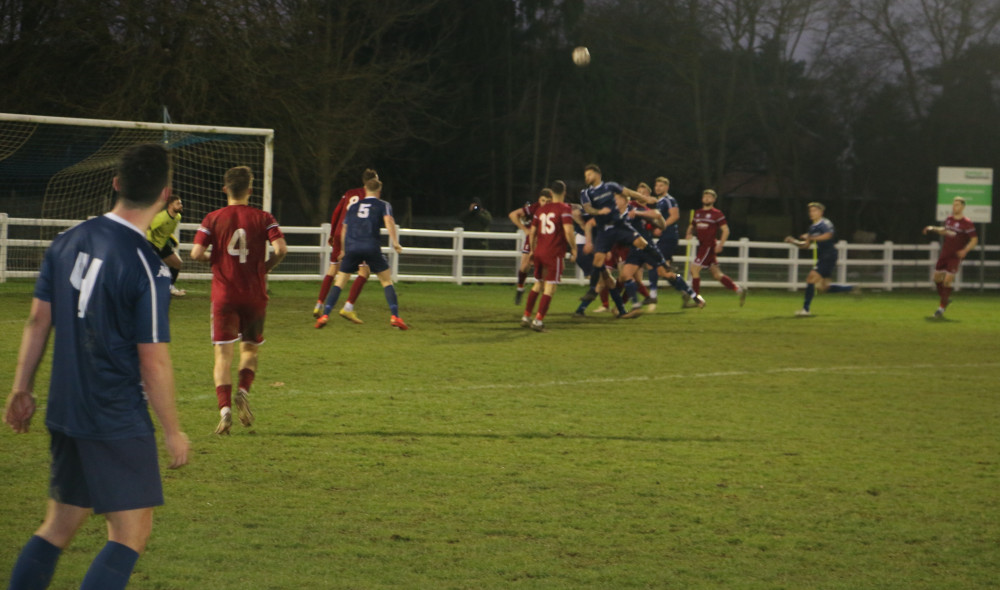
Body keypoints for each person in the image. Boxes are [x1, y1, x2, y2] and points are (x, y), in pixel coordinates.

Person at [3, 144, 190, 590]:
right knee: (130, 535)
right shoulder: (146, 266)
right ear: (164, 195)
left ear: (116, 183)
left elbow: (37, 320)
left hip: (67, 410)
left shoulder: (67, 241)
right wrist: (172, 429)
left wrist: (21, 387)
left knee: (59, 525)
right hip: (114, 415)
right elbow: (154, 359)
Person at [190, 166, 288, 435]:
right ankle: (243, 391)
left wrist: (218, 260)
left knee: (223, 355)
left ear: (225, 190)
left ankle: (224, 411)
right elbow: (281, 249)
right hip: (254, 294)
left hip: (224, 295)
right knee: (250, 349)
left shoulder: (212, 218)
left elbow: (196, 253)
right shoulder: (263, 217)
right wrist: (264, 267)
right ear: (250, 190)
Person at [577, 164, 703, 316]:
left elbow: (657, 216)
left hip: (646, 247)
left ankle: (695, 296)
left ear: (625, 200)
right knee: (624, 276)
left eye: (618, 198)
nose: (615, 201)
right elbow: (594, 221)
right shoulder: (614, 215)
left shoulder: (633, 210)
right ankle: (636, 306)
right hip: (633, 251)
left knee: (666, 274)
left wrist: (640, 213)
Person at [315, 174, 408, 330]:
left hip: (352, 248)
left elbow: (344, 228)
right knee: (386, 281)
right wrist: (395, 242)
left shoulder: (353, 207)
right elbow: (389, 221)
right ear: (379, 190)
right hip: (371, 247)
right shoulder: (383, 204)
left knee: (340, 282)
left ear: (365, 189)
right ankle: (395, 317)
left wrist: (344, 249)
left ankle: (325, 314)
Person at [313, 170, 377, 323]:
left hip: (339, 232)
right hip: (354, 236)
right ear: (373, 182)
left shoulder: (349, 193)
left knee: (333, 269)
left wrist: (332, 233)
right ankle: (348, 307)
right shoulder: (370, 198)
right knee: (364, 271)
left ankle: (319, 304)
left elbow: (336, 212)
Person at [520, 182, 576, 331]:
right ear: (564, 192)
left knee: (538, 284)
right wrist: (574, 249)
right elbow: (568, 231)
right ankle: (538, 321)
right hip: (554, 253)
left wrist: (532, 251)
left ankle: (526, 316)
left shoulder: (541, 210)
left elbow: (532, 232)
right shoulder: (564, 209)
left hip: (539, 251)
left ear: (551, 193)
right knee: (550, 287)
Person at [785, 201, 855, 316]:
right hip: (824, 256)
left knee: (810, 279)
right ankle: (852, 288)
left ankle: (805, 310)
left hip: (829, 255)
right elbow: (806, 245)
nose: (811, 213)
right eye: (810, 211)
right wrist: (794, 242)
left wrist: (811, 237)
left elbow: (828, 236)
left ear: (821, 212)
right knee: (824, 288)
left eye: (814, 210)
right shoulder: (812, 227)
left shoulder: (825, 223)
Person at [685, 189, 746, 306]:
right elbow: (692, 225)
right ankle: (739, 290)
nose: (706, 198)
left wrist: (721, 244)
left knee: (694, 269)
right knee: (717, 274)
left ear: (714, 200)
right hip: (702, 246)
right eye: (705, 196)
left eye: (709, 197)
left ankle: (697, 299)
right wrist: (689, 233)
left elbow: (725, 230)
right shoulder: (698, 213)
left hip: (708, 246)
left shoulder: (717, 213)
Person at [922, 196, 978, 318]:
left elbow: (974, 240)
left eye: (957, 205)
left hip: (955, 256)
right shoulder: (949, 219)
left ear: (963, 207)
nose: (954, 206)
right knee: (936, 279)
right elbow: (945, 231)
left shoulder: (967, 223)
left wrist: (965, 250)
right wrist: (933, 228)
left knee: (947, 281)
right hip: (945, 254)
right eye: (953, 204)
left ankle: (941, 308)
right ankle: (945, 299)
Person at [635, 176, 680, 304]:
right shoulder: (658, 202)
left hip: (669, 236)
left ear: (667, 187)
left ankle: (653, 295)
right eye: (656, 186)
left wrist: (662, 226)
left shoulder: (669, 199)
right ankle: (687, 292)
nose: (658, 188)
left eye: (661, 186)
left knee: (652, 262)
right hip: (664, 238)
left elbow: (675, 216)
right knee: (664, 271)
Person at [509, 192, 552, 304]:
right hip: (533, 238)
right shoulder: (535, 208)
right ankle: (520, 288)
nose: (545, 203)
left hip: (548, 240)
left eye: (548, 201)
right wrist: (524, 229)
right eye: (543, 200)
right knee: (524, 266)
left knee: (545, 271)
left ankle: (542, 296)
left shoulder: (556, 208)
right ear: (539, 200)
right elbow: (513, 214)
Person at [145, 193, 186, 296]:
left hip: (162, 245)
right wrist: (151, 245)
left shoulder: (178, 217)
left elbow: (166, 232)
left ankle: (170, 287)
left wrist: (172, 239)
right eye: (178, 203)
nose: (181, 205)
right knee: (152, 268)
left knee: (177, 263)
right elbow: (147, 228)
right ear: (170, 205)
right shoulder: (161, 218)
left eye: (181, 203)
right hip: (151, 244)